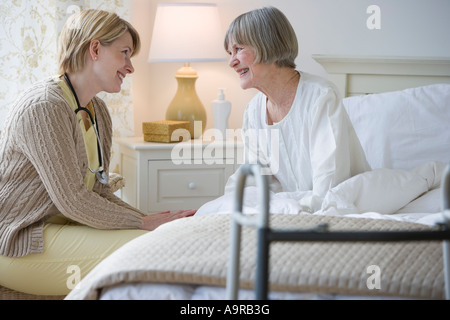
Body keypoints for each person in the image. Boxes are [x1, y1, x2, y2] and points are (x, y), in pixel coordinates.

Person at [0, 9, 195, 296]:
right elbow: (73, 200)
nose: (130, 67)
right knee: (152, 251)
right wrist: (144, 223)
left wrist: (157, 222)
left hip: (61, 227)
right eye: (124, 53)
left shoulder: (97, 110)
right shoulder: (43, 107)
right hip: (19, 240)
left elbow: (100, 192)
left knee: (163, 239)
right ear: (94, 49)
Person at [222, 6, 370, 213]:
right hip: (293, 209)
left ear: (268, 44)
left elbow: (329, 184)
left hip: (340, 207)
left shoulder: (320, 96)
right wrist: (226, 208)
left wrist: (290, 210)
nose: (231, 61)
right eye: (230, 52)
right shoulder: (253, 111)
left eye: (238, 49)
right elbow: (254, 179)